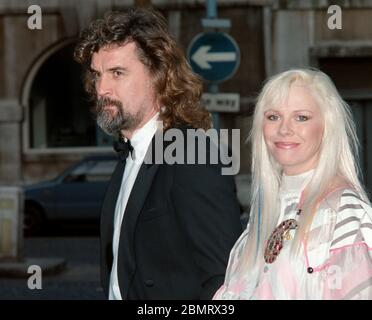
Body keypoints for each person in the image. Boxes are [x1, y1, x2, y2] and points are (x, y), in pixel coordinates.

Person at [74, 8, 242, 300]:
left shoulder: (192, 153)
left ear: (158, 76)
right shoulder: (129, 154)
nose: (102, 88)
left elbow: (225, 282)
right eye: (98, 74)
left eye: (117, 73)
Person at [214, 68, 372, 300]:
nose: (284, 129)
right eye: (273, 117)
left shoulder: (344, 213)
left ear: (327, 127)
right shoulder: (265, 211)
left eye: (301, 117)